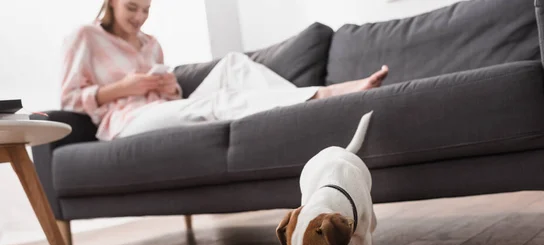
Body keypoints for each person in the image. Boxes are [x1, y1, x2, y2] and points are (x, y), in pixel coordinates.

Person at [61, 0, 389, 141]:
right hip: (124, 121)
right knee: (220, 102)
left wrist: (168, 87)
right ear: (111, 2)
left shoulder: (151, 43)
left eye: (146, 9)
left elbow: (174, 96)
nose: (139, 17)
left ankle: (306, 101)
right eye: (131, 7)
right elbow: (70, 100)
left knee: (233, 64)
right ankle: (325, 95)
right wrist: (126, 87)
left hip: (160, 107)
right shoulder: (85, 37)